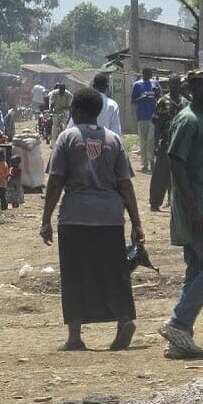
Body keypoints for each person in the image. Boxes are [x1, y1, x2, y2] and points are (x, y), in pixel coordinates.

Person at [40, 87, 145, 351]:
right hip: (110, 217)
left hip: (75, 217)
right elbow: (126, 185)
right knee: (115, 272)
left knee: (74, 274)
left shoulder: (66, 139)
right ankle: (124, 319)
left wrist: (46, 220)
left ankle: (75, 336)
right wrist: (136, 222)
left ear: (76, 111)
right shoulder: (114, 140)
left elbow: (55, 182)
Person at [159, 68, 203, 360]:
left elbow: (201, 172)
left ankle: (180, 340)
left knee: (198, 269)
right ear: (196, 89)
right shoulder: (189, 120)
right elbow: (176, 164)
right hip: (194, 207)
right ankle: (178, 323)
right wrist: (192, 210)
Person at [149, 74, 188, 211]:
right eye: (172, 84)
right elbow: (157, 124)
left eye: (177, 84)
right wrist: (155, 144)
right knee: (161, 173)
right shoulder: (162, 101)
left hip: (180, 143)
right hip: (165, 141)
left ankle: (174, 202)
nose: (175, 87)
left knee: (178, 173)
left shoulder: (185, 103)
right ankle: (155, 203)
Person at [131, 68, 163, 172]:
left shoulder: (155, 83)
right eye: (148, 74)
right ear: (143, 74)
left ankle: (152, 161)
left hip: (153, 116)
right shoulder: (137, 85)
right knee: (143, 141)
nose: (149, 77)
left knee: (151, 140)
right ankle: (144, 164)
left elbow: (160, 97)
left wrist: (156, 93)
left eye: (151, 75)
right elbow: (133, 100)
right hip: (142, 117)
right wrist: (142, 98)